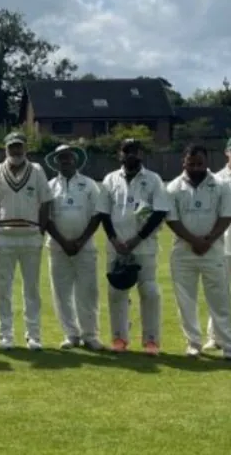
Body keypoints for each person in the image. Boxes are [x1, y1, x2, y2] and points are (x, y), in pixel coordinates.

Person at [97, 138, 169, 355]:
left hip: (144, 246)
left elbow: (159, 212)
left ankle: (151, 341)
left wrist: (137, 238)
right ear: (120, 153)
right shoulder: (110, 179)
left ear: (141, 154)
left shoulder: (153, 179)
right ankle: (119, 338)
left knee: (150, 291)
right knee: (116, 292)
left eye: (135, 151)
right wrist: (114, 239)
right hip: (116, 247)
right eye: (127, 151)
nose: (131, 155)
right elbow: (103, 212)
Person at [0, 132, 53, 351]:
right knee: (4, 288)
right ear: (5, 148)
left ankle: (33, 335)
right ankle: (6, 335)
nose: (16, 151)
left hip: (31, 235)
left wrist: (41, 232)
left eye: (19, 147)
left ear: (26, 149)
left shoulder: (37, 170)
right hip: (4, 235)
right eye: (12, 147)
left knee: (31, 289)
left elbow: (45, 203)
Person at [165, 144, 231, 359]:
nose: (195, 167)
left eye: (199, 163)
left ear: (206, 162)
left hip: (213, 251)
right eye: (190, 163)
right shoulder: (173, 187)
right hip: (183, 252)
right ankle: (194, 343)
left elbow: (226, 216)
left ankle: (227, 344)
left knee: (219, 298)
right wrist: (194, 241)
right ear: (183, 162)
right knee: (186, 300)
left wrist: (208, 240)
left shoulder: (221, 185)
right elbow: (172, 220)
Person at [43, 144, 103, 351]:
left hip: (85, 247)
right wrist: (63, 241)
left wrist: (81, 240)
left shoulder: (89, 185)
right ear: (56, 162)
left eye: (68, 157)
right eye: (61, 158)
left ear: (75, 160)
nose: (65, 161)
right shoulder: (49, 186)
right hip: (57, 247)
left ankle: (90, 335)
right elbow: (45, 218)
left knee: (88, 291)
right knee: (61, 293)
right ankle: (71, 334)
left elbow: (97, 215)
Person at [204, 138, 231, 351]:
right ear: (227, 152)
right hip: (223, 243)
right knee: (219, 292)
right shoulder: (216, 179)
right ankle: (215, 336)